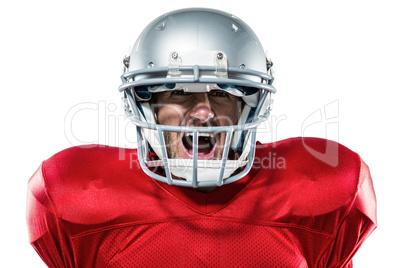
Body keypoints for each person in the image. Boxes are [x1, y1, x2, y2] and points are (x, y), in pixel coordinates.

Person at [26, 8, 377, 267]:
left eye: (222, 94)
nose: (204, 112)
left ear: (250, 107)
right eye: (180, 93)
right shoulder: (75, 195)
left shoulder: (327, 188)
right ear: (146, 106)